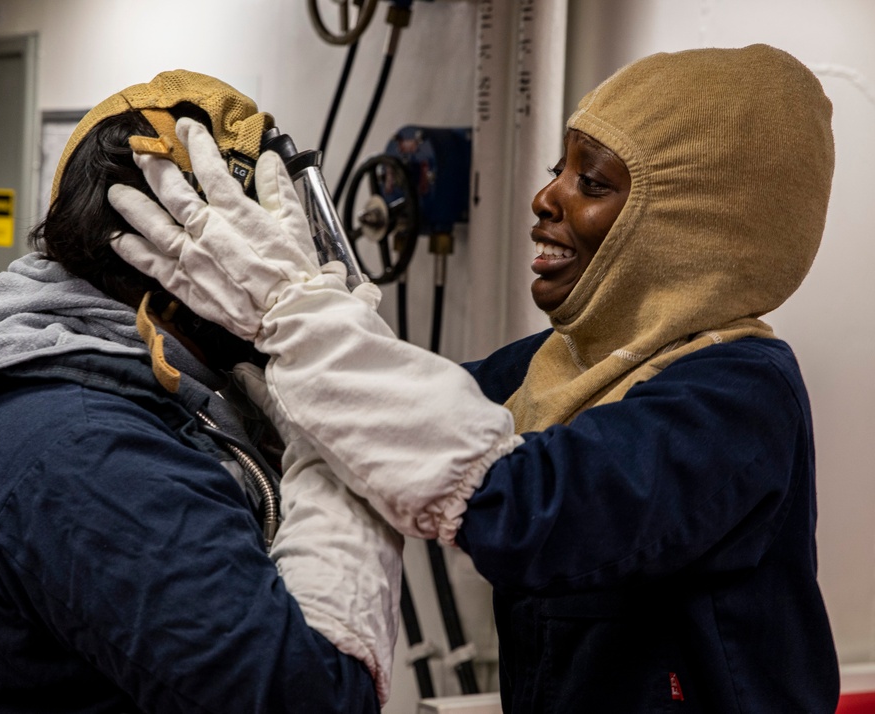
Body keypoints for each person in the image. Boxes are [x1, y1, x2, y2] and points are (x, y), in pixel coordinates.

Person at [110, 44, 841, 712]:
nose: (546, 198)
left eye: (591, 180)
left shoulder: (739, 395)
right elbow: (384, 419)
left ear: (694, 226)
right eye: (559, 168)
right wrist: (271, 331)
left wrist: (297, 311)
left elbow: (527, 508)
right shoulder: (556, 364)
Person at [0, 70, 402, 713]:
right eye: (268, 236)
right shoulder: (83, 451)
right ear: (186, 250)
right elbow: (318, 699)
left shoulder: (136, 392)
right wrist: (339, 431)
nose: (293, 263)